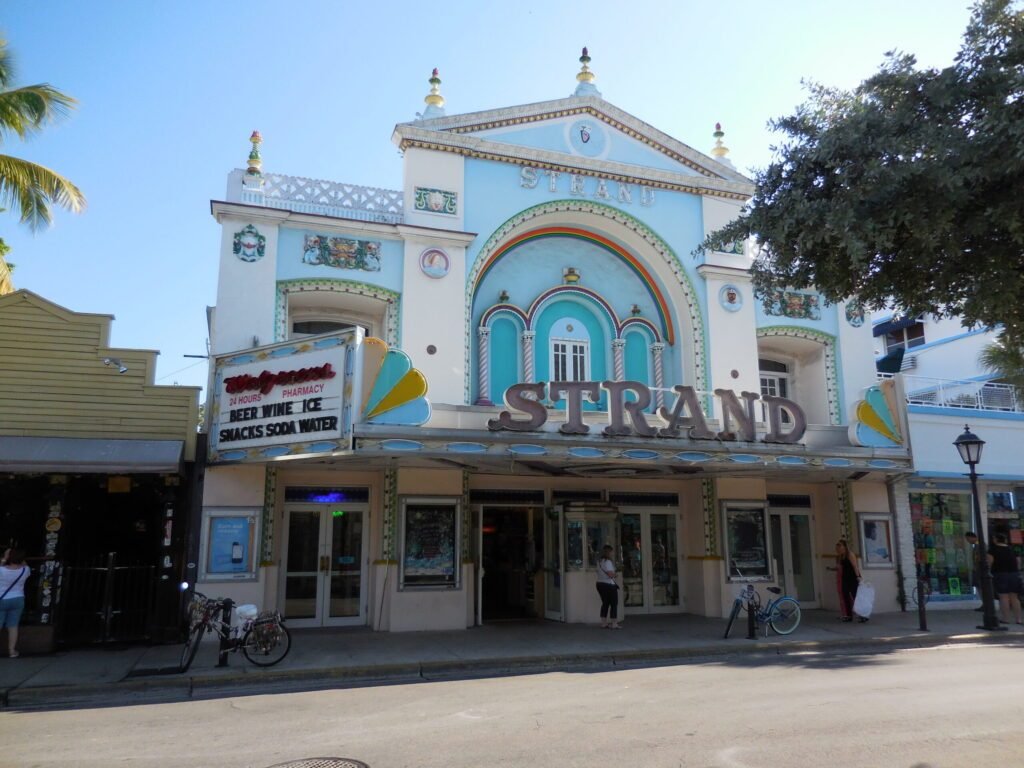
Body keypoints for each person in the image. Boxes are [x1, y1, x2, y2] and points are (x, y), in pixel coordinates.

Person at [0, 548, 30, 658]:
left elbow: (2, 565)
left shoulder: (1, 570)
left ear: (9, 557)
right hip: (18, 599)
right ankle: (12, 651)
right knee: (13, 626)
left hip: (2, 599)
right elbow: (24, 563)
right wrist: (19, 558)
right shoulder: (25, 570)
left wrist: (4, 559)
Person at [988, 533, 1022, 625]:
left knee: (1003, 597)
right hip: (1014, 574)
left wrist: (989, 572)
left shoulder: (993, 550)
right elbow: (1018, 562)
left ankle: (1006, 618)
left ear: (995, 539)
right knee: (1014, 597)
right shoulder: (1012, 550)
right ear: (1005, 540)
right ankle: (1019, 619)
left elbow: (989, 562)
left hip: (1000, 574)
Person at [835, 539, 865, 623]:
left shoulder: (850, 555)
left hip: (852, 578)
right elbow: (841, 567)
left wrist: (858, 576)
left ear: (845, 546)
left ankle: (863, 615)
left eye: (840, 545)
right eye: (838, 546)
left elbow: (855, 566)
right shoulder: (841, 556)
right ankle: (848, 615)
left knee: (855, 596)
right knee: (845, 596)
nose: (839, 547)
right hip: (845, 578)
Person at [595, 545, 621, 629]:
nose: (612, 554)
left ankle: (603, 623)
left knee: (605, 603)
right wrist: (615, 574)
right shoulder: (608, 562)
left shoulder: (599, 561)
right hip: (609, 585)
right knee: (614, 603)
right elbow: (610, 574)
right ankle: (614, 624)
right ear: (609, 552)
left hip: (600, 584)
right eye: (611, 552)